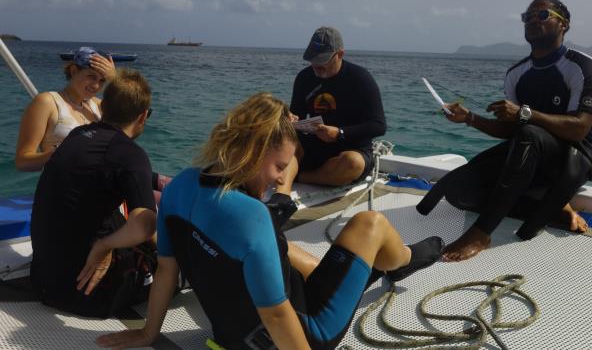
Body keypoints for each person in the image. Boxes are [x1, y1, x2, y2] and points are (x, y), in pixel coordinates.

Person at [96, 92, 443, 350]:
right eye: (280, 166)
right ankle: (404, 261)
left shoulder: (181, 185)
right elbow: (278, 317)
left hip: (232, 337)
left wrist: (148, 333)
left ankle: (377, 267)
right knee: (369, 224)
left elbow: (167, 271)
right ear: (253, 153)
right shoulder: (253, 218)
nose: (280, 179)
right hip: (304, 333)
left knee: (284, 251)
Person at [418, 0, 592, 262]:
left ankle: (481, 233)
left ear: (564, 25)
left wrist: (525, 114)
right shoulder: (517, 73)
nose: (533, 21)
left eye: (542, 15)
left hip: (574, 157)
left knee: (527, 134)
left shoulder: (583, 66)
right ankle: (551, 208)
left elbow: (580, 129)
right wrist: (470, 118)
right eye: (528, 16)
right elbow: (508, 130)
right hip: (528, 153)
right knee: (458, 191)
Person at [31, 68, 157, 318]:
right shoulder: (132, 154)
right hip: (90, 295)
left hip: (43, 281)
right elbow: (144, 227)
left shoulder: (76, 135)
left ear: (103, 107)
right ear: (143, 117)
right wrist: (105, 245)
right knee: (169, 250)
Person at [288, 26, 386, 187]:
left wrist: (340, 133)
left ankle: (301, 176)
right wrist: (290, 118)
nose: (316, 67)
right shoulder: (304, 77)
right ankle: (312, 177)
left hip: (350, 147)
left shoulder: (360, 79)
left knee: (353, 163)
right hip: (313, 145)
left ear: (340, 55)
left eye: (322, 61)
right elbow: (296, 114)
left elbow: (379, 126)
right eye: (313, 60)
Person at [15, 46, 115, 171]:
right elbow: (22, 162)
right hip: (62, 187)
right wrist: (59, 153)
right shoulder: (48, 102)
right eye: (91, 76)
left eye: (102, 80)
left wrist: (116, 79)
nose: (96, 86)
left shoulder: (98, 106)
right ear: (73, 71)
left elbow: (134, 115)